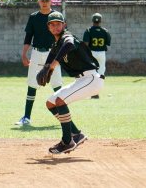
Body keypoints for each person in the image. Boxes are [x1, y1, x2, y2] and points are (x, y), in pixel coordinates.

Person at [38, 11, 105, 154]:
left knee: (60, 101)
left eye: (58, 24)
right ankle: (76, 134)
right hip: (82, 80)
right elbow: (50, 58)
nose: (56, 27)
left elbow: (69, 45)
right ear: (48, 27)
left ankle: (67, 141)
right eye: (52, 24)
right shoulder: (56, 44)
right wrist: (45, 68)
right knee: (51, 103)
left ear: (64, 25)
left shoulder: (67, 37)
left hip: (91, 79)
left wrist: (53, 65)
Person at [15, 0, 62, 125]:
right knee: (32, 84)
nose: (45, 3)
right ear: (39, 2)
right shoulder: (34, 17)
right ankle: (26, 117)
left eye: (47, 0)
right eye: (43, 1)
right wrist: (24, 54)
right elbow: (28, 37)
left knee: (57, 86)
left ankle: (63, 117)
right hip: (36, 53)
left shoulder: (56, 16)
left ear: (51, 1)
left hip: (52, 53)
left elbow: (62, 37)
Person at [83, 13, 111, 99]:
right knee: (101, 73)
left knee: (90, 72)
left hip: (91, 53)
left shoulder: (88, 30)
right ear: (100, 21)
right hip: (101, 53)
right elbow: (108, 43)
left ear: (92, 20)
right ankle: (96, 92)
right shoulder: (105, 31)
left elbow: (86, 44)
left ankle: (91, 92)